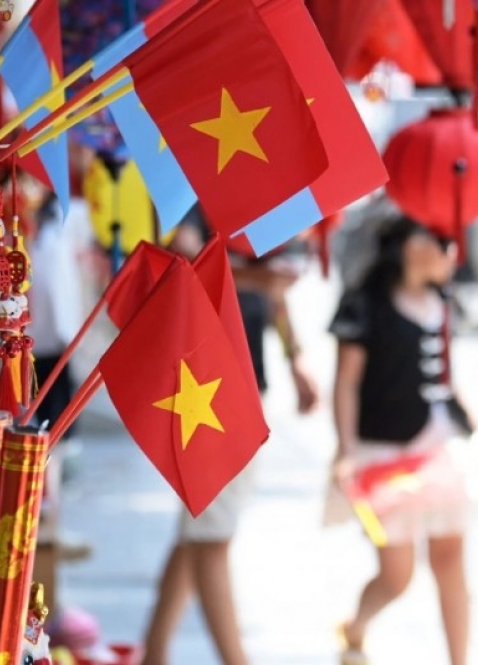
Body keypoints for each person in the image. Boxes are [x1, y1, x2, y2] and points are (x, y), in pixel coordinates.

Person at [139, 210, 319, 665]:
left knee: (200, 529)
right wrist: (259, 278)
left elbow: (273, 293)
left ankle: (154, 652)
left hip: (235, 389)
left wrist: (295, 356)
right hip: (206, 395)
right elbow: (185, 267)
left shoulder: (250, 212)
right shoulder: (195, 208)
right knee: (211, 535)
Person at [328, 217, 473, 665]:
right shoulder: (366, 304)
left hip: (436, 447)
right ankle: (356, 626)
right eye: (439, 241)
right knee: (397, 574)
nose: (449, 252)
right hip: (381, 451)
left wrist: (475, 428)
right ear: (409, 247)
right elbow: (347, 383)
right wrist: (346, 449)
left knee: (450, 559)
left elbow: (446, 379)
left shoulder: (443, 302)